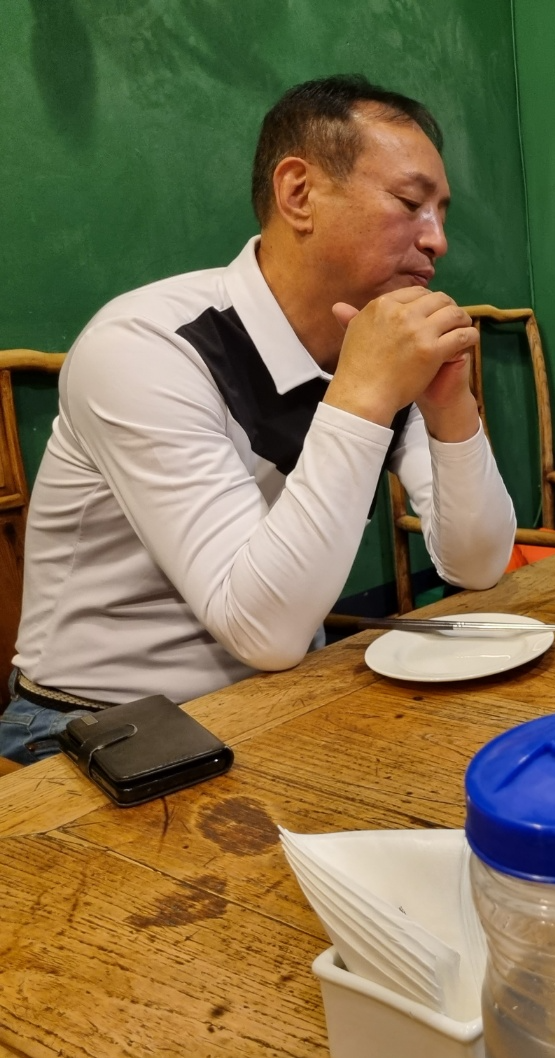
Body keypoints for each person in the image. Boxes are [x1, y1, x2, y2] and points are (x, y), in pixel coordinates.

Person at [1, 75, 517, 765]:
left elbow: (477, 564)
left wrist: (449, 405)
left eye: (441, 212)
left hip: (281, 696)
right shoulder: (147, 345)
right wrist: (363, 396)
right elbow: (262, 630)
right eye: (410, 203)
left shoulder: (374, 344)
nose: (438, 240)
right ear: (298, 193)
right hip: (91, 727)